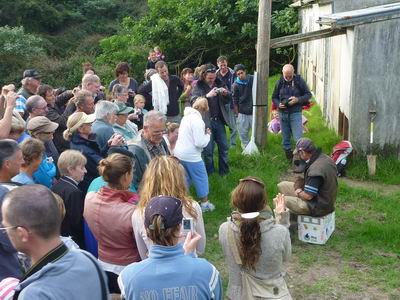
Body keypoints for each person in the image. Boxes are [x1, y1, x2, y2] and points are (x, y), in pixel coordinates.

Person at [1, 185, 108, 299]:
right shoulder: (88, 260)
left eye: (5, 228)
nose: (4, 232)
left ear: (22, 234)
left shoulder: (33, 294)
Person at [119, 195, 222, 300]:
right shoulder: (208, 273)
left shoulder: (128, 279)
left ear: (146, 229)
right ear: (179, 227)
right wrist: (189, 257)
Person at [219, 177, 292, 300]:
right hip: (273, 294)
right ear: (263, 203)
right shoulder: (280, 232)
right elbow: (286, 257)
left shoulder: (224, 230)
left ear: (235, 202)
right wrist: (281, 220)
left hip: (239, 295)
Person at [84, 153, 140, 294]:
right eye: (132, 172)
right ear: (126, 176)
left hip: (102, 263)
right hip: (128, 269)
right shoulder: (131, 212)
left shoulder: (89, 199)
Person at [132, 156, 206, 259]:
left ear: (148, 181)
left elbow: (143, 254)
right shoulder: (192, 207)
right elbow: (201, 247)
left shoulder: (138, 214)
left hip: (155, 270)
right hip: (189, 267)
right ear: (179, 179)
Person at [64, 111, 124, 192]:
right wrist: (113, 147)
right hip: (94, 188)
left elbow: (96, 156)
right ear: (80, 128)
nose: (91, 124)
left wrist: (108, 146)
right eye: (88, 123)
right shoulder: (82, 149)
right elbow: (104, 166)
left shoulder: (81, 142)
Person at [277, 138, 337, 218]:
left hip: (317, 206)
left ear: (303, 152)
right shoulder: (324, 158)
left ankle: (285, 225)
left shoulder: (315, 170)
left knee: (280, 201)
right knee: (282, 185)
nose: (298, 156)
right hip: (325, 198)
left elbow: (308, 196)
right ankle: (294, 215)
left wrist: (298, 191)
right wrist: (299, 184)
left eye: (298, 153)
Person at [174, 97, 214, 212]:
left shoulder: (185, 117)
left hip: (179, 153)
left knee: (185, 178)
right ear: (205, 110)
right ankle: (205, 204)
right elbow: (199, 142)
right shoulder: (198, 120)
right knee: (201, 178)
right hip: (191, 156)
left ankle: (182, 203)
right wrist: (207, 135)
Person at [191, 63, 230, 176]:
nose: (212, 80)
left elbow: (228, 99)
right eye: (209, 78)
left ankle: (224, 173)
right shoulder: (198, 85)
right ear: (203, 76)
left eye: (213, 77)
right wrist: (207, 96)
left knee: (224, 147)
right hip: (205, 122)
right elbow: (194, 102)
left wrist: (225, 93)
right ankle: (210, 174)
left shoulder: (219, 82)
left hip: (218, 121)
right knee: (208, 151)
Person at [272, 64, 312, 161]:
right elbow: (274, 97)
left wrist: (297, 100)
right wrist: (278, 104)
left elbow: (308, 94)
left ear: (293, 72)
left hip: (295, 113)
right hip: (282, 113)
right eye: (286, 76)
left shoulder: (299, 81)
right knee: (285, 138)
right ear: (283, 73)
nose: (288, 77)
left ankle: (300, 159)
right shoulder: (279, 82)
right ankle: (290, 160)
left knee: (298, 137)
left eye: (290, 75)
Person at [51, 150, 87, 249]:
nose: (85, 171)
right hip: (73, 241)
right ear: (71, 169)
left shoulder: (58, 184)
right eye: (82, 167)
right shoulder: (74, 192)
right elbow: (77, 224)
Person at [0, 140, 24, 281]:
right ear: (7, 164)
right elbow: (10, 242)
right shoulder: (4, 195)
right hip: (6, 272)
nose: (22, 163)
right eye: (19, 159)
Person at [128, 110, 170, 189]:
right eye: (156, 132)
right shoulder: (134, 150)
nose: (161, 135)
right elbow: (134, 183)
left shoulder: (161, 140)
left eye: (163, 131)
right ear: (145, 128)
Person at [39, 84, 74, 153]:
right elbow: (63, 122)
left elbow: (61, 97)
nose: (53, 97)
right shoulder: (46, 111)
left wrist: (72, 92)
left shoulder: (51, 102)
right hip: (59, 143)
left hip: (63, 139)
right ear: (43, 98)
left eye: (53, 94)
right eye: (50, 96)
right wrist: (71, 104)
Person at [26, 116, 59, 188]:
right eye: (49, 132)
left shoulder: (42, 144)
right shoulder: (33, 151)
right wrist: (52, 173)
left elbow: (50, 162)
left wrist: (50, 172)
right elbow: (44, 180)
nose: (53, 133)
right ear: (37, 134)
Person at [232, 64, 254, 149]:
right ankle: (246, 150)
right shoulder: (235, 85)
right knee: (243, 133)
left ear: (245, 71)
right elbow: (235, 101)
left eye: (242, 73)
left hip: (253, 110)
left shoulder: (252, 79)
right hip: (242, 112)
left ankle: (256, 148)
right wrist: (237, 114)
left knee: (256, 132)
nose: (240, 75)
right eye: (238, 74)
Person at [216, 56, 237, 147]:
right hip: (219, 103)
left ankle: (233, 145)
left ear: (227, 63)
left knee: (232, 125)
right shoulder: (215, 74)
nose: (223, 67)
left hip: (230, 101)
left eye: (224, 65)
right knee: (220, 126)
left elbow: (236, 89)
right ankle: (223, 144)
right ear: (218, 65)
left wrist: (227, 92)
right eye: (221, 65)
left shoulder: (233, 74)